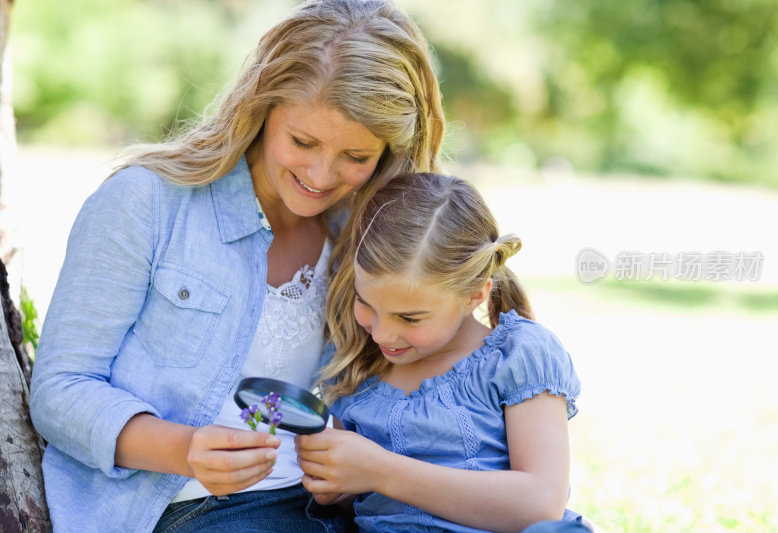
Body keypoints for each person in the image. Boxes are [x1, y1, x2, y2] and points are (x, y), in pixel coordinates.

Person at [29, 0, 444, 531]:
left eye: (355, 158)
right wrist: (185, 450)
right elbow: (61, 389)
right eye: (303, 141)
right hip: (180, 505)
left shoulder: (361, 240)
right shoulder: (147, 203)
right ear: (262, 106)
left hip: (316, 505)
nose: (321, 175)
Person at [295, 172, 589, 533]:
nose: (382, 332)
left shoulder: (516, 356)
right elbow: (356, 498)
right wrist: (334, 481)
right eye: (365, 302)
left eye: (410, 317)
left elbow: (541, 504)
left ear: (475, 295)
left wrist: (381, 471)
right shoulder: (355, 365)